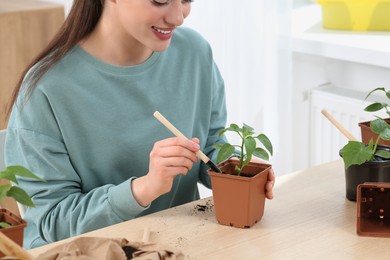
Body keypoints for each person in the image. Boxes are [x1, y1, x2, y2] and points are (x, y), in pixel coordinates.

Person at [5, 0, 275, 249]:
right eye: (160, 0)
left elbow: (211, 143)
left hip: (180, 246)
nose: (178, 17)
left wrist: (237, 172)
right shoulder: (45, 90)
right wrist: (143, 189)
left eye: (187, 0)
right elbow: (52, 221)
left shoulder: (195, 52)